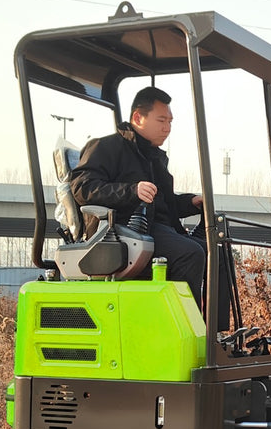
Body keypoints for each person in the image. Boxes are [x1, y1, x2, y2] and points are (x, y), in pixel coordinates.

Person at [70, 86, 229, 331]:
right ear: (137, 118)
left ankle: (215, 335)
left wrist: (191, 202)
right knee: (190, 253)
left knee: (216, 252)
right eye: (161, 120)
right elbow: (83, 188)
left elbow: (163, 203)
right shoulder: (105, 147)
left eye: (170, 121)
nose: (167, 127)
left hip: (157, 228)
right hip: (123, 232)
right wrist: (130, 191)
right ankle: (186, 331)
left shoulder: (155, 157)